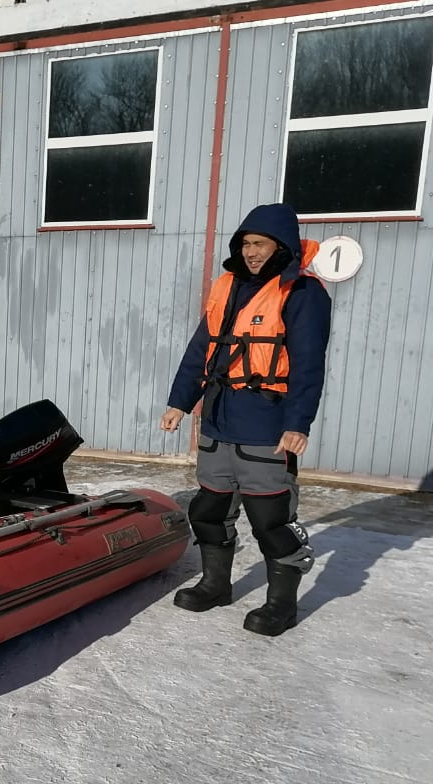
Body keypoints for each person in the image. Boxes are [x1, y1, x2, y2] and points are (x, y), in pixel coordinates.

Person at [159, 203, 331, 637]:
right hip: (217, 419)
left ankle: (280, 605)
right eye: (246, 244)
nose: (251, 252)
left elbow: (309, 366)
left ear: (282, 246)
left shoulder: (304, 294)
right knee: (210, 510)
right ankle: (216, 584)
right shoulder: (228, 287)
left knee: (270, 520)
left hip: (266, 425)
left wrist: (299, 423)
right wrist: (181, 402)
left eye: (260, 243)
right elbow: (202, 350)